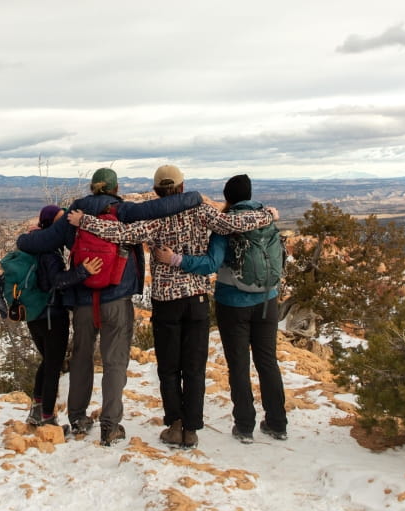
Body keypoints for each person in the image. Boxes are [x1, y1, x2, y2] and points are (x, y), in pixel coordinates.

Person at [67, 164, 278, 450]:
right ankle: (191, 430)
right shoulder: (201, 212)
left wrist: (85, 222)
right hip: (197, 299)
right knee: (194, 367)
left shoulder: (156, 219)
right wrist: (268, 215)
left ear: (157, 190)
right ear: (181, 187)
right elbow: (233, 224)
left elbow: (121, 233)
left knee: (169, 368)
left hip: (166, 301)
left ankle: (175, 425)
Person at [17, 168, 203, 446]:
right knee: (114, 361)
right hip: (116, 297)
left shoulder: (74, 215)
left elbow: (33, 243)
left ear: (93, 188)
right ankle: (110, 425)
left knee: (81, 358)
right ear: (115, 188)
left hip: (82, 298)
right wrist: (195, 196)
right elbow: (164, 205)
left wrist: (25, 237)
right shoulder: (124, 211)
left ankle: (78, 418)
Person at [155, 174, 288, 443]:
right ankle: (277, 423)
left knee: (238, 365)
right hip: (267, 299)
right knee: (267, 362)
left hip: (233, 304)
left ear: (228, 197)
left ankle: (245, 426)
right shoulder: (267, 219)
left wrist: (176, 259)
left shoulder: (225, 226)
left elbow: (211, 264)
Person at [24, 204, 103, 427]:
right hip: (51, 315)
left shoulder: (35, 245)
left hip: (35, 315)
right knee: (53, 365)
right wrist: (82, 272)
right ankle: (48, 417)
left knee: (47, 361)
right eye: (60, 221)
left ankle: (36, 410)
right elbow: (57, 281)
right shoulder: (49, 252)